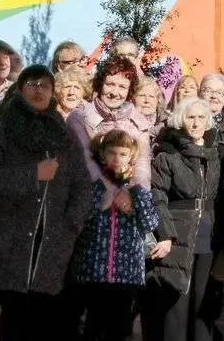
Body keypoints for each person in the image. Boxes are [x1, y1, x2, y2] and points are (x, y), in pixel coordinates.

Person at [0, 65, 90, 341]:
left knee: (41, 323)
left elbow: (83, 185)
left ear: (53, 94)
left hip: (51, 247)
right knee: (8, 323)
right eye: (32, 84)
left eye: (45, 85)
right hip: (9, 245)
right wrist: (33, 174)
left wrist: (71, 225)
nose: (39, 90)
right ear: (21, 88)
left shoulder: (64, 138)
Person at [145, 98, 224, 341]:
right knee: (177, 304)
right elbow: (157, 197)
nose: (196, 122)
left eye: (201, 117)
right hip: (178, 234)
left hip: (208, 236)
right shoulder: (168, 153)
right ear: (181, 120)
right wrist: (166, 234)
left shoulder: (217, 153)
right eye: (190, 117)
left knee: (203, 305)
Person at [70, 129, 158, 341]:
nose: (116, 159)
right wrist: (104, 194)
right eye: (111, 153)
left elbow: (150, 223)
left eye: (123, 154)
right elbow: (79, 218)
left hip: (125, 274)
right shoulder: (93, 185)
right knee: (92, 328)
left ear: (131, 157)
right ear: (102, 155)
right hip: (94, 271)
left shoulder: (139, 187)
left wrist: (135, 195)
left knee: (119, 330)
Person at [70, 55, 153, 187]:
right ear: (100, 84)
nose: (115, 92)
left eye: (122, 87)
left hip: (129, 194)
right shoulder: (80, 116)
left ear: (129, 90)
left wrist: (134, 192)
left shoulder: (139, 122)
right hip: (91, 191)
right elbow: (86, 161)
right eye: (110, 84)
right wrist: (111, 192)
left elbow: (142, 166)